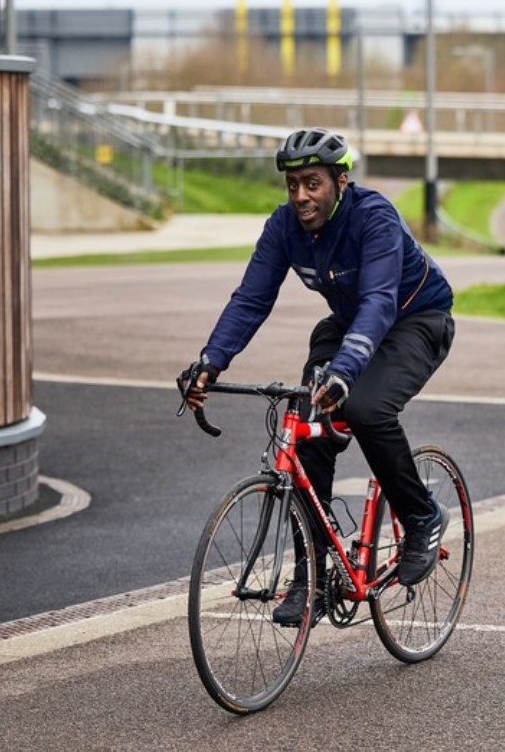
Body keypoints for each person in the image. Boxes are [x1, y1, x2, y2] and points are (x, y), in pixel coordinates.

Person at [180, 128, 455, 623]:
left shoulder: (375, 218)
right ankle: (312, 575)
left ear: (340, 182)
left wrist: (346, 370)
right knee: (306, 432)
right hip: (348, 324)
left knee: (367, 408)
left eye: (312, 183)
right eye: (292, 185)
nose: (301, 196)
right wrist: (210, 361)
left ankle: (420, 516)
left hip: (417, 319)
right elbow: (251, 298)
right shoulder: (285, 227)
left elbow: (379, 301)